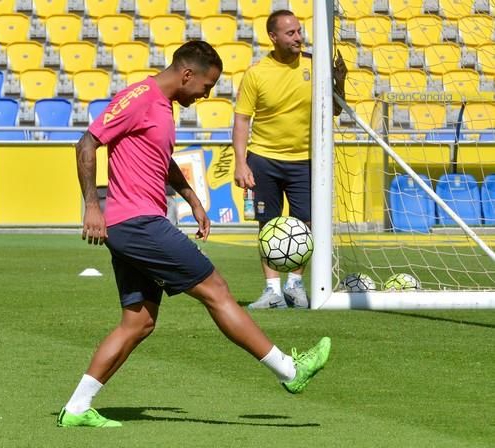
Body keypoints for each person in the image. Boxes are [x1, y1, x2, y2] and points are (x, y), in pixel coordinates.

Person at [57, 41, 331, 429]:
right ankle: (289, 370)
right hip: (137, 224)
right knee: (217, 290)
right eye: (207, 85)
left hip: (136, 224)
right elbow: (87, 142)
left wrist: (193, 199)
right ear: (187, 74)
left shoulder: (162, 109)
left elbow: (159, 159)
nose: (207, 93)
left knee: (138, 323)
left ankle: (77, 408)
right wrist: (91, 205)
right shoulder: (138, 97)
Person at [233, 10, 347, 310]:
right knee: (267, 226)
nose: (299, 37)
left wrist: (339, 81)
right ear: (273, 37)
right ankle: (272, 292)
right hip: (264, 159)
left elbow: (335, 111)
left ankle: (295, 287)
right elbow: (242, 120)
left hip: (306, 161)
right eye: (291, 33)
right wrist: (240, 162)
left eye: (299, 31)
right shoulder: (257, 73)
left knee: (306, 225)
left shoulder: (316, 65)